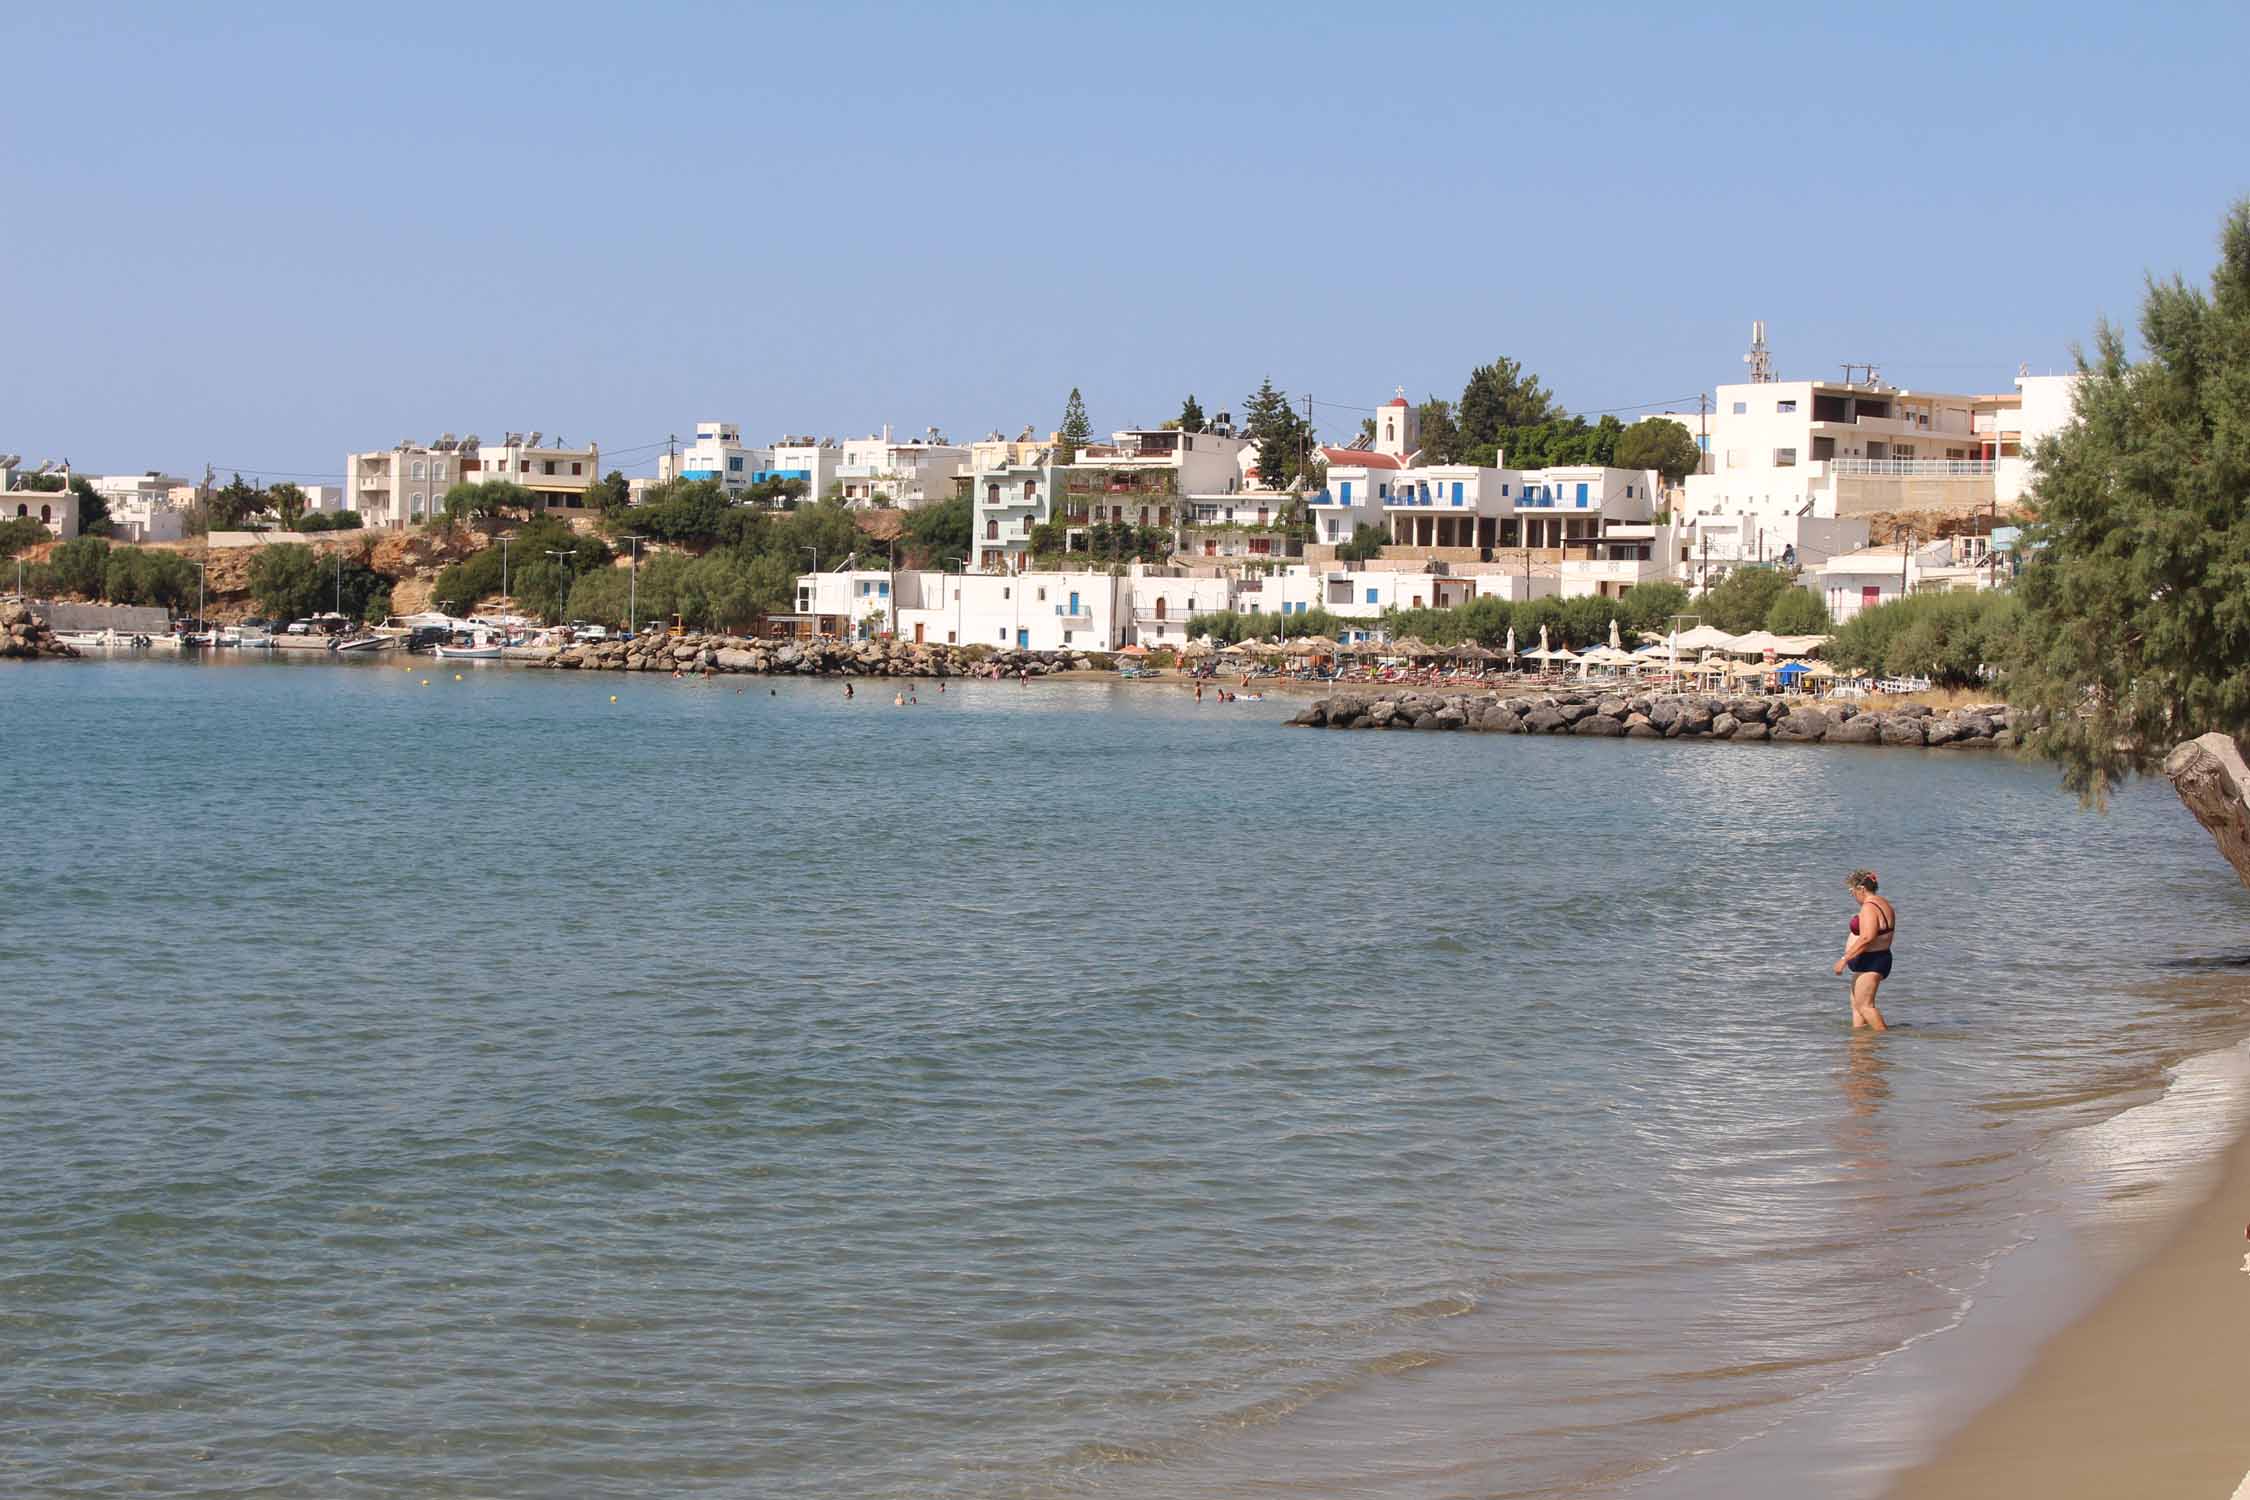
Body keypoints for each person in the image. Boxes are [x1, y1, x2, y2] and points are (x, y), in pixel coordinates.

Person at [1833, 869, 1895, 1031]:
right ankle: (1861, 1046)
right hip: (1871, 959)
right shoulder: (1882, 902)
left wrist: (1844, 959)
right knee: (1857, 1006)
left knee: (1865, 1006)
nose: (1852, 895)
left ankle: (1884, 1041)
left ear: (1861, 888)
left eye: (1851, 891)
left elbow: (1867, 937)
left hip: (1872, 961)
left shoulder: (1869, 907)